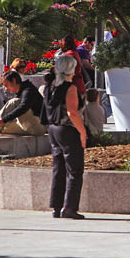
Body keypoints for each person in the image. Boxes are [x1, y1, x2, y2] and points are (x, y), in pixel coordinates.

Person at [42, 55, 87, 219]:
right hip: (67, 130)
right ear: (71, 69)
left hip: (53, 129)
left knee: (58, 168)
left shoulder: (49, 86)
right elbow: (72, 112)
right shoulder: (70, 87)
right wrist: (83, 132)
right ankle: (69, 207)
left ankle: (56, 206)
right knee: (74, 170)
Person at [0, 70, 45, 136]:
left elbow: (23, 107)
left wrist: (3, 120)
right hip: (29, 127)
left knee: (14, 101)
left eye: (6, 85)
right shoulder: (21, 92)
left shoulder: (29, 90)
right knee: (1, 128)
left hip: (38, 127)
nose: (6, 88)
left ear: (14, 81)